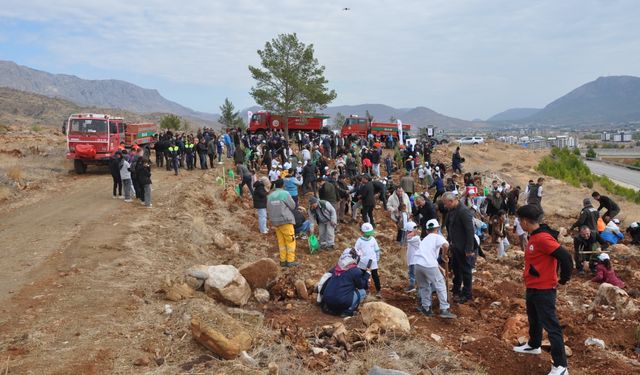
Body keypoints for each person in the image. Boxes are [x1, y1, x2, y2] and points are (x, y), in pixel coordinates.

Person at [512, 204, 572, 375]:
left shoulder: (543, 238)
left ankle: (561, 366)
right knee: (534, 318)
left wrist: (564, 278)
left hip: (544, 289)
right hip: (533, 286)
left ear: (524, 221)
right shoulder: (534, 235)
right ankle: (534, 345)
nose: (519, 223)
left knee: (552, 326)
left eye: (519, 220)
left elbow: (566, 257)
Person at [412, 219, 456, 319]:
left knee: (424, 286)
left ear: (427, 230)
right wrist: (444, 255)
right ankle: (444, 309)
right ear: (437, 229)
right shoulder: (437, 237)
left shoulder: (424, 239)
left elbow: (430, 258)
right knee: (440, 284)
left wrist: (441, 269)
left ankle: (426, 308)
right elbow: (446, 245)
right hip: (428, 264)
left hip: (417, 264)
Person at [442, 192, 475, 304]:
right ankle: (456, 289)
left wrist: (469, 249)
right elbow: (450, 227)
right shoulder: (452, 211)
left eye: (446, 204)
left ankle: (467, 294)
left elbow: (470, 231)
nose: (445, 206)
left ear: (451, 201)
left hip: (464, 247)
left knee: (466, 270)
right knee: (456, 268)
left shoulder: (463, 211)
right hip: (455, 245)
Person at [319, 248, 370, 317]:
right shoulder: (355, 271)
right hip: (341, 302)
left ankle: (330, 308)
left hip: (327, 300)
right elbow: (361, 285)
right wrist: (367, 274)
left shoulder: (337, 267)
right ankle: (347, 311)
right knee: (362, 292)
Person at [267, 179, 298, 267]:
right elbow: (293, 205)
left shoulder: (270, 196)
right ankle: (290, 260)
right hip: (285, 220)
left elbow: (268, 209)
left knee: (281, 242)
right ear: (283, 185)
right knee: (290, 241)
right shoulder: (285, 193)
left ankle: (283, 260)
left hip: (275, 222)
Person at [355, 223, 382, 298]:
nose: (369, 235)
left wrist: (377, 259)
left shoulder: (373, 239)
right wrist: (358, 256)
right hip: (362, 263)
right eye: (367, 233)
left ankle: (378, 290)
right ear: (362, 232)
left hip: (372, 262)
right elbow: (356, 250)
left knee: (375, 276)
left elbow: (377, 250)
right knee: (363, 276)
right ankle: (365, 290)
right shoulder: (359, 241)